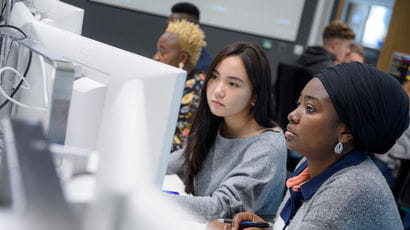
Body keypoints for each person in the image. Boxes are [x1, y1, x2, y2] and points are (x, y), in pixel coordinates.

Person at [208, 62, 409, 229]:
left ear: (345, 132)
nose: (292, 115)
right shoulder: (309, 163)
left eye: (310, 108)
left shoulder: (349, 192)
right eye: (299, 104)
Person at [166, 42, 287, 222]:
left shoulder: (267, 148)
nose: (218, 90)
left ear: (255, 95)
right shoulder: (218, 122)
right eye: (215, 77)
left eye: (232, 84)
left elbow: (221, 207)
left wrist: (152, 198)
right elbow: (179, 160)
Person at [153, 20, 206, 152]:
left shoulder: (193, 92)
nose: (156, 57)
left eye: (162, 52)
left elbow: (177, 147)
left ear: (182, 58)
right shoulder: (174, 82)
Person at [168, 2, 213, 72]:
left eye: (180, 25)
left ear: (195, 27)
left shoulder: (205, 66)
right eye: (170, 25)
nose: (172, 29)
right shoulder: (164, 53)